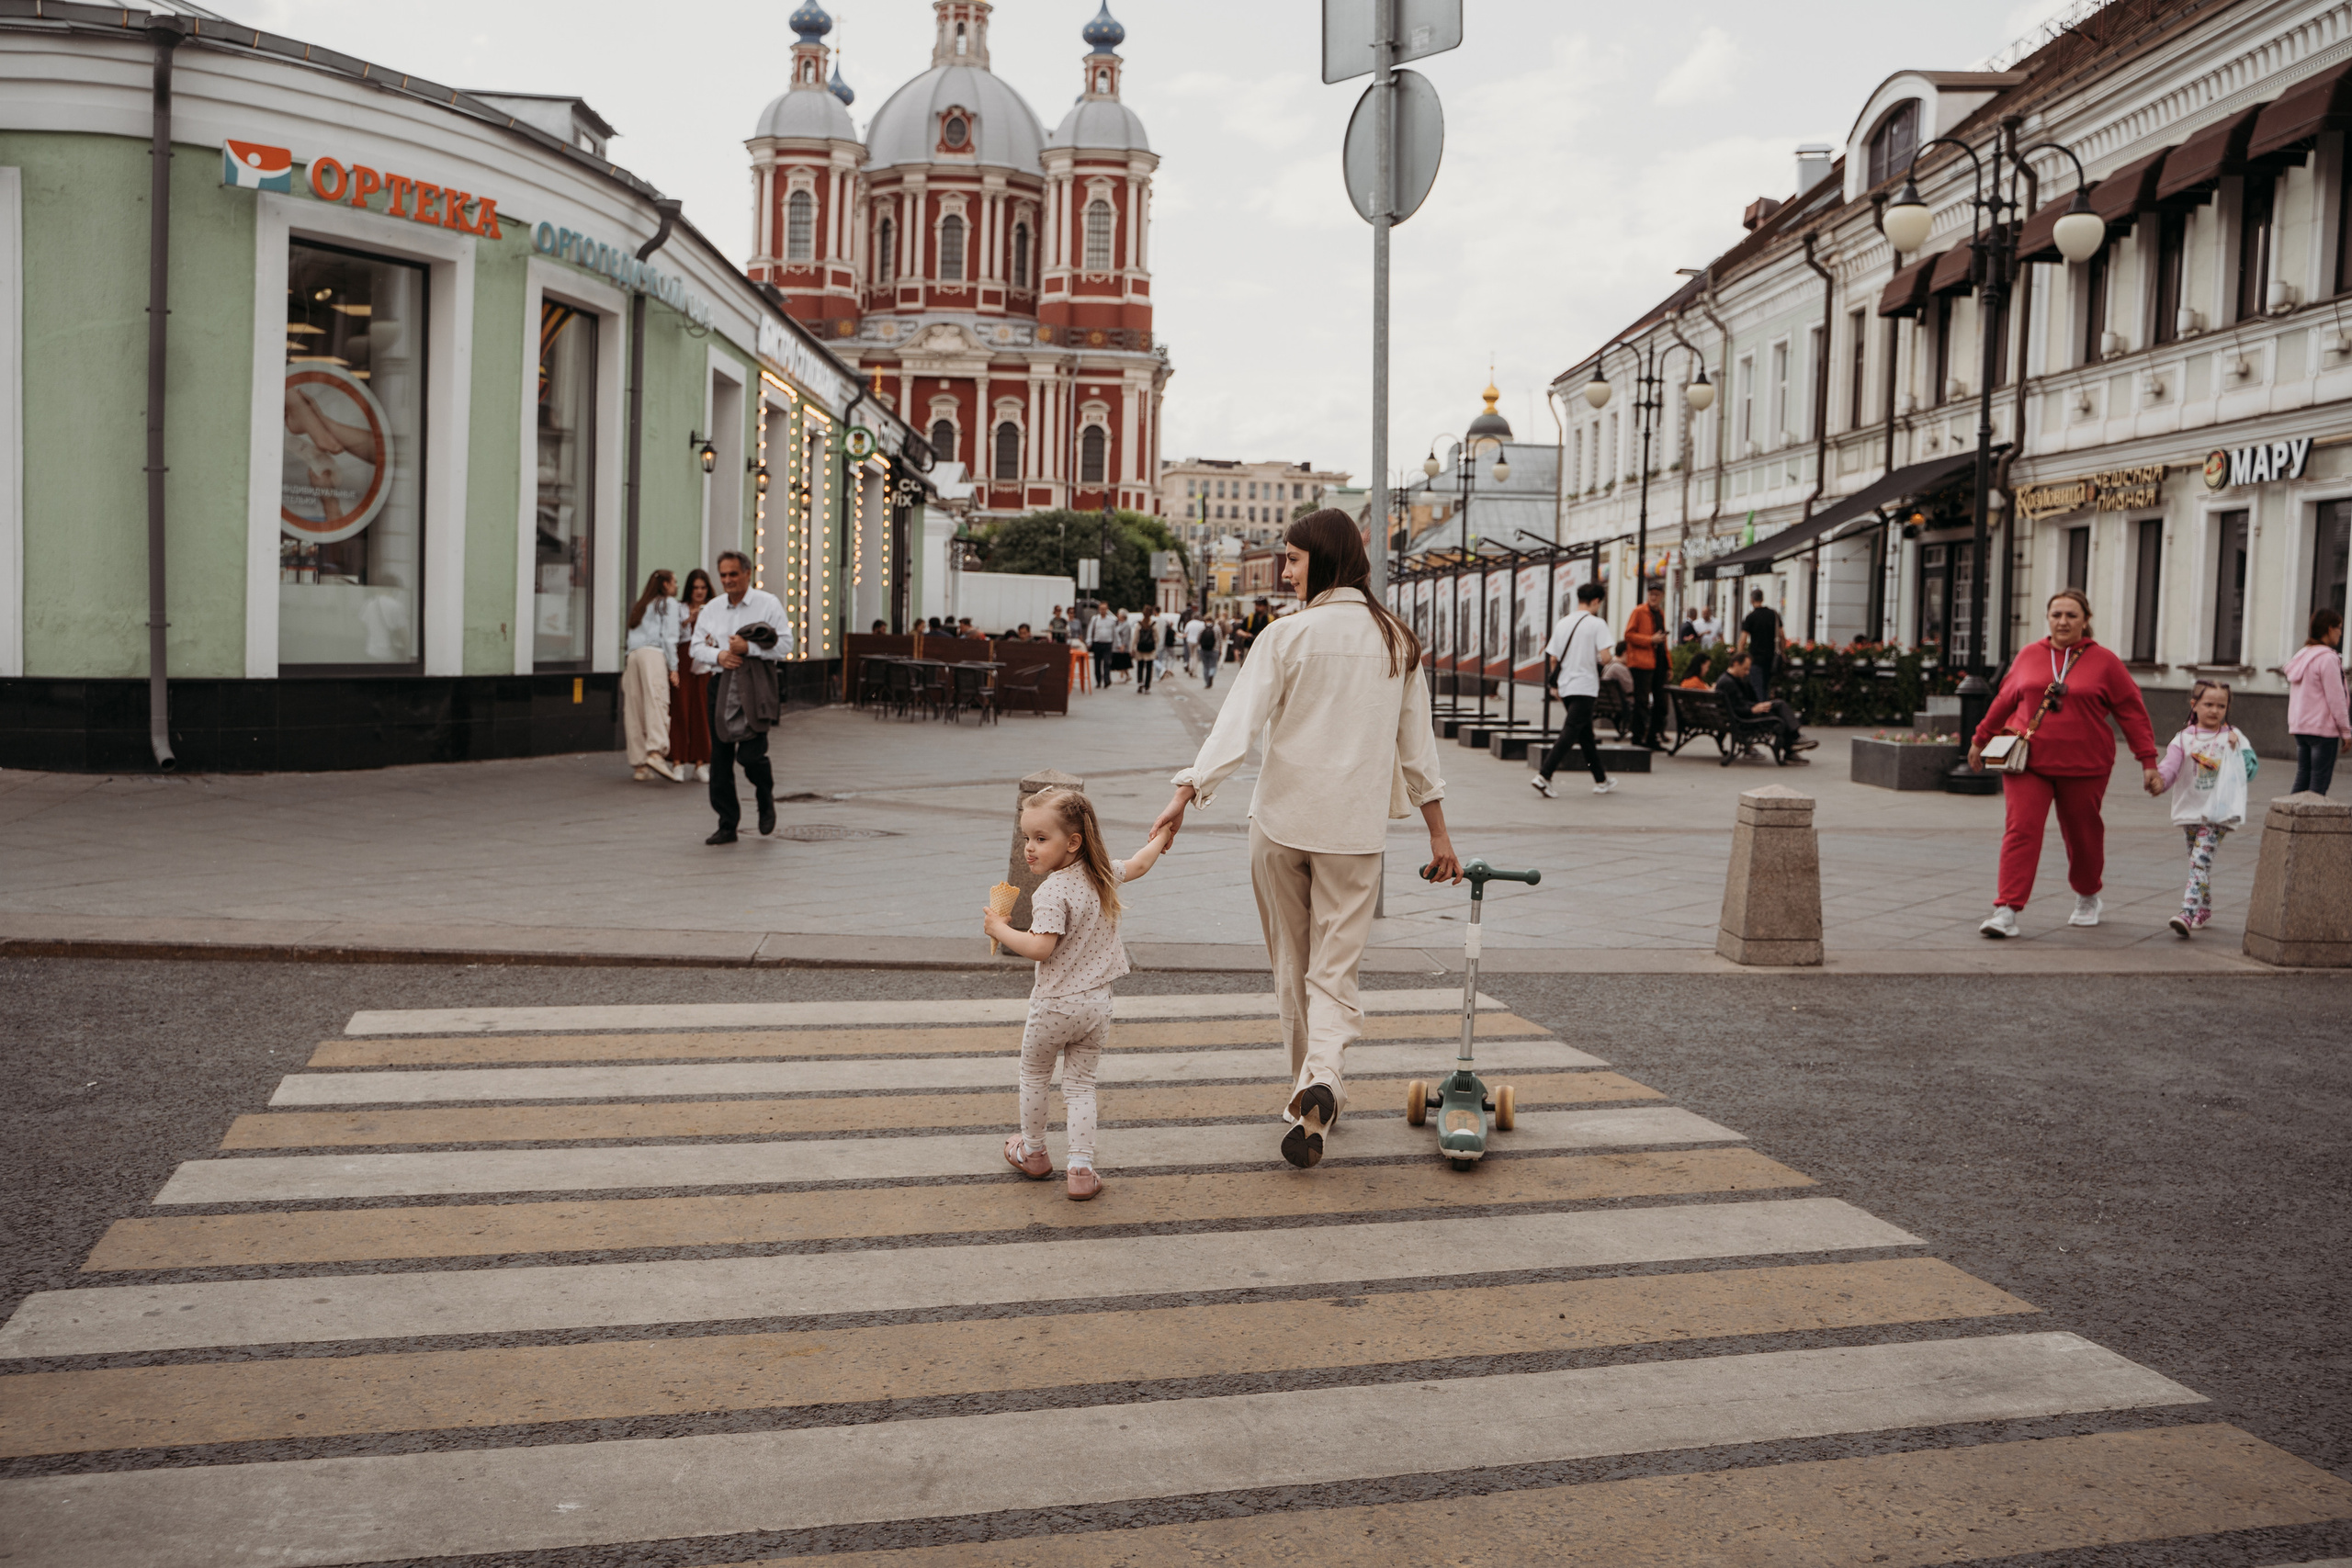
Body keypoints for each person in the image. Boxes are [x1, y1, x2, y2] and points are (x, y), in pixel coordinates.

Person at [1153, 510, 1458, 1170]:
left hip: (1281, 824)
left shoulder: (1285, 635)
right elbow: (1418, 749)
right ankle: (1317, 1081)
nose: (1286, 572)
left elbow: (1236, 724)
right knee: (1334, 971)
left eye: (1292, 559)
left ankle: (1309, 1094)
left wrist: (1185, 794)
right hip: (1352, 832)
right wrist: (1439, 834)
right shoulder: (1397, 640)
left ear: (1323, 558)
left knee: (1292, 967)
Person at [986, 787, 1172, 1201]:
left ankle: (1033, 1153)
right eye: (1026, 837)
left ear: (1073, 842)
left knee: (1034, 1076)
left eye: (1040, 838)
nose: (1028, 849)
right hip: (1096, 1005)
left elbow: (1040, 946)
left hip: (1053, 1006)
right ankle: (1082, 1170)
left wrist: (1000, 929)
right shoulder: (1101, 872)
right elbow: (1141, 864)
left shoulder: (1051, 891)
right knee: (1081, 1087)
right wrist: (1163, 836)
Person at [1968, 589, 2161, 938]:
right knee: (2021, 830)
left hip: (2086, 765)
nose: (2063, 621)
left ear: (2085, 620)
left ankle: (2088, 896)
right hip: (2029, 762)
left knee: (2083, 834)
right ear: (2048, 618)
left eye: (2071, 615)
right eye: (2056, 614)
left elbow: (2132, 711)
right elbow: (2005, 698)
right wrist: (1981, 738)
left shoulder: (2104, 661)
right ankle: (2006, 909)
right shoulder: (2029, 655)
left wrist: (2147, 760)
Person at [687, 550, 792, 846]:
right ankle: (727, 824)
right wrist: (719, 655)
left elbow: (786, 644)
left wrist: (750, 650)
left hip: (755, 685)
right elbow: (696, 647)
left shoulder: (767, 603)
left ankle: (764, 795)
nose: (727, 580)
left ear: (747, 573)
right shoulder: (713, 608)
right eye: (723, 575)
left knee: (750, 755)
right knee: (720, 758)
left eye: (733, 574)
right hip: (720, 685)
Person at [2155, 681, 2258, 938]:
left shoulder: (2234, 736)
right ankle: (2205, 909)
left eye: (2221, 705)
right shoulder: (2184, 738)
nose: (2214, 710)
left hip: (2218, 813)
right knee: (2197, 862)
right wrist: (2159, 781)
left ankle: (2187, 914)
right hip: (2191, 809)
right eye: (2208, 704)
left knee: (2199, 863)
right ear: (2195, 705)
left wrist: (2238, 751)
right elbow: (2170, 765)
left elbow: (2250, 770)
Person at [1532, 581, 1613, 797]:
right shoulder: (1597, 624)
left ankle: (1601, 779)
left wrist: (1556, 686)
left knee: (1585, 734)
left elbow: (1553, 659)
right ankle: (1544, 775)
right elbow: (1606, 658)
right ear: (1596, 601)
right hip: (1585, 686)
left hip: (1567, 686)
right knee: (1570, 731)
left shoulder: (1563, 623)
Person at [622, 570, 685, 784]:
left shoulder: (642, 605)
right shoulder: (669, 604)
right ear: (666, 585)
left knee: (634, 709)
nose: (676, 586)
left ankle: (639, 764)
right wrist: (674, 667)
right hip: (654, 655)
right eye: (674, 582)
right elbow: (669, 637)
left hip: (633, 656)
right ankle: (656, 752)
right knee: (657, 701)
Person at [2285, 607, 2348, 795]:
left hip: (2301, 728)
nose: (2340, 633)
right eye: (2339, 628)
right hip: (2322, 730)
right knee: (2318, 784)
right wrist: (2346, 731)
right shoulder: (2327, 658)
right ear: (2329, 629)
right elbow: (2337, 698)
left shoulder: (2302, 655)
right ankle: (2309, 824)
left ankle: (2288, 820)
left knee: (2303, 777)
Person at [1714, 650, 1813, 759]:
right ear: (1736, 664)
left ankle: (1793, 745)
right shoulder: (1728, 683)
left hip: (1738, 716)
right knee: (1779, 714)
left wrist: (1757, 706)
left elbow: (1737, 703)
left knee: (1778, 707)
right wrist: (1753, 709)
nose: (1747, 672)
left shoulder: (1728, 679)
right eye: (1745, 669)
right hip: (1743, 718)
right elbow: (1736, 707)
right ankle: (1793, 743)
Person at [670, 568, 716, 784]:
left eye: (703, 588)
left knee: (701, 711)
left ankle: (700, 762)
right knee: (679, 710)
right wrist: (688, 620)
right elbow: (671, 635)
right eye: (695, 588)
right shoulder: (679, 609)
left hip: (704, 664)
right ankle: (677, 761)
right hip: (682, 660)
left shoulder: (714, 609)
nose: (699, 592)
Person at [1622, 581, 1670, 748]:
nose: (1654, 597)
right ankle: (1638, 737)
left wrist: (1669, 665)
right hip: (1642, 663)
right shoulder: (1639, 611)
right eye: (1651, 594)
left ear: (1662, 596)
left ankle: (1652, 737)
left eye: (1657, 594)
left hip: (1658, 663)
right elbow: (1629, 635)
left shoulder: (1660, 613)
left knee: (1661, 703)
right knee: (1642, 701)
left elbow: (1663, 641)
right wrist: (1650, 640)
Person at [1740, 590, 1782, 702]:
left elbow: (1743, 641)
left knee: (1757, 688)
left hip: (1755, 658)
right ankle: (1767, 712)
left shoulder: (1750, 617)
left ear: (1752, 600)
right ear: (1762, 599)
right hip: (1770, 658)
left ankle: (1762, 714)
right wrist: (1783, 652)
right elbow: (1782, 635)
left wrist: (1740, 657)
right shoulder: (1773, 614)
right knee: (1766, 688)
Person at [1087, 604, 1117, 687]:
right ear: (1099, 609)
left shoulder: (1111, 620)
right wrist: (1089, 641)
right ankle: (1098, 681)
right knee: (1097, 663)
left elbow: (1115, 632)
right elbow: (1090, 630)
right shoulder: (1095, 619)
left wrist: (1118, 643)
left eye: (1104, 609)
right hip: (1097, 643)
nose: (1103, 611)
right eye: (1101, 609)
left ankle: (1107, 680)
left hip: (1108, 643)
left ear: (1107, 609)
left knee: (1107, 662)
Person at [1134, 610, 1158, 693]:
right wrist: (1156, 648)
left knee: (1140, 666)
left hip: (1140, 649)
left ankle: (1140, 682)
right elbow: (1157, 638)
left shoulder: (1139, 624)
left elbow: (1135, 638)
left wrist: (1132, 648)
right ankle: (1147, 687)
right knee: (1149, 668)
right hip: (1150, 650)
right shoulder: (1153, 624)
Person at [1196, 612, 1221, 688]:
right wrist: (1220, 649)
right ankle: (1211, 675)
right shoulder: (1217, 628)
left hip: (1203, 650)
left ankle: (1207, 682)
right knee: (1213, 665)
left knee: (1205, 666)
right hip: (1215, 649)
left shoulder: (1202, 627)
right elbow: (1220, 639)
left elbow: (1198, 638)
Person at [1111, 609, 1135, 682]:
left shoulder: (1126, 625)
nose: (1118, 616)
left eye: (1119, 614)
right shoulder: (1118, 624)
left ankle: (1124, 676)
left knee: (1122, 662)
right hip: (1116, 646)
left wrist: (1123, 645)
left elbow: (1126, 636)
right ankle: (1126, 675)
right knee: (1121, 662)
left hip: (1122, 646)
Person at [1182, 608, 1204, 674]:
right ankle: (1194, 670)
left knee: (1191, 655)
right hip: (1197, 641)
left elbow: (1185, 633)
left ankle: (1190, 667)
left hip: (1190, 641)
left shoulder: (1189, 623)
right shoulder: (1201, 624)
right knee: (1195, 655)